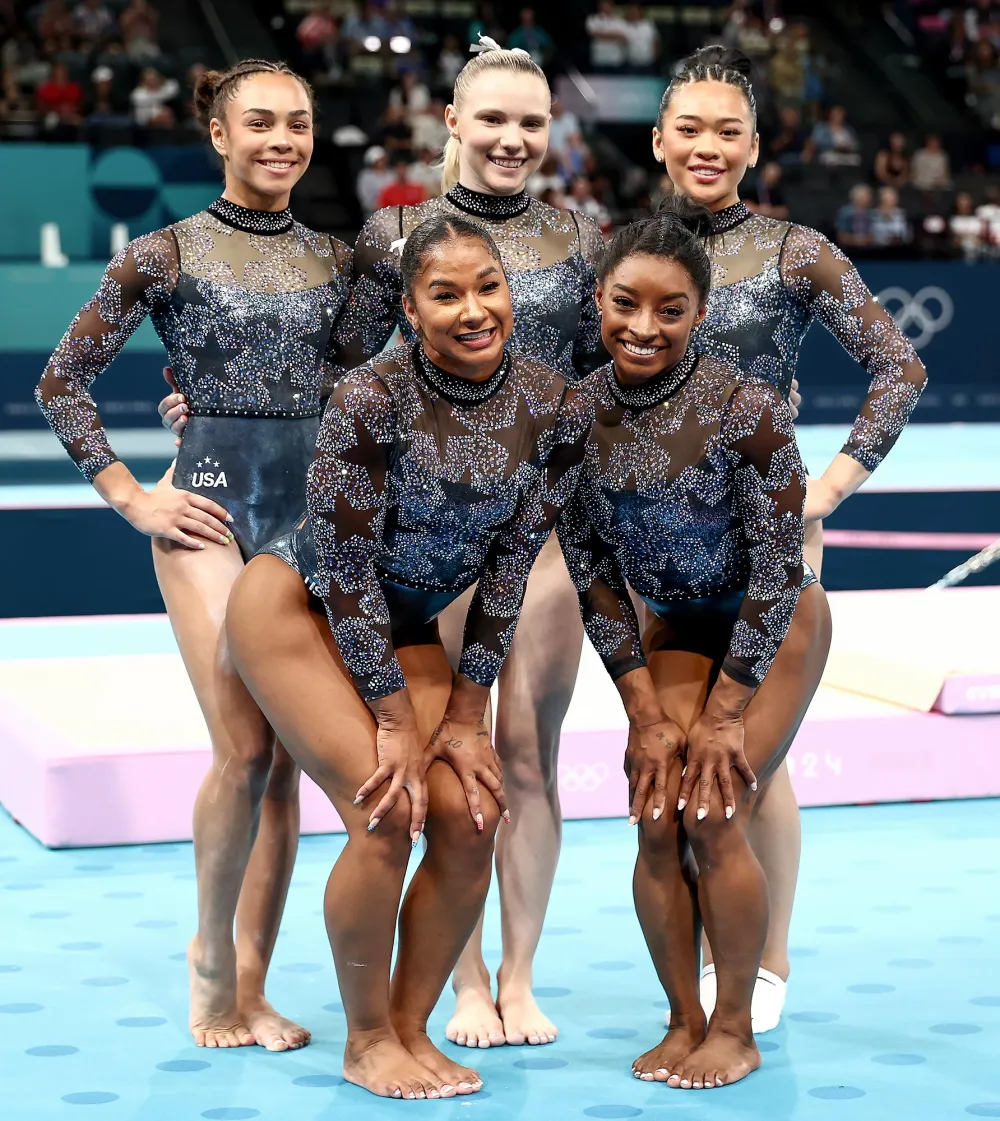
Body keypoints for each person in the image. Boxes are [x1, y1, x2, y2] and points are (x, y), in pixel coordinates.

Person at [226, 215, 592, 1098]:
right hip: (298, 606)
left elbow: (507, 567)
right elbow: (346, 571)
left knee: (471, 812)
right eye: (446, 294)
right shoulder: (369, 396)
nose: (474, 310)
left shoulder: (556, 403)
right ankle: (364, 1041)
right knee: (386, 810)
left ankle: (408, 1026)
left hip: (414, 623)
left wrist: (467, 716)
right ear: (409, 308)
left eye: (489, 287)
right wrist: (396, 722)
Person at [36, 58, 353, 1053]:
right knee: (245, 746)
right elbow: (62, 381)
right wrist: (132, 494)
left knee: (292, 761)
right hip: (209, 512)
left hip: (308, 519)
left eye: (297, 124)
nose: (281, 140)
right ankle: (209, 961)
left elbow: (360, 385)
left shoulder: (340, 262)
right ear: (218, 134)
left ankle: (254, 980)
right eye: (259, 122)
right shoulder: (163, 255)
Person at [651, 44, 927, 1032]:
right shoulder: (628, 253)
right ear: (658, 139)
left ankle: (765, 961)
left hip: (769, 546)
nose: (708, 146)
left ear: (755, 145)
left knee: (753, 764)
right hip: (652, 549)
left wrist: (832, 484)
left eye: (728, 131)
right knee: (678, 756)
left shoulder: (792, 251)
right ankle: (699, 953)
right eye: (690, 128)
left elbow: (898, 367)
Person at [557, 199, 831, 1090]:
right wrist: (644, 709)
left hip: (776, 620)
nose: (644, 327)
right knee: (654, 810)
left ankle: (736, 1026)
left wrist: (722, 716)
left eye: (670, 310)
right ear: (597, 298)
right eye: (627, 304)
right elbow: (593, 569)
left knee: (712, 808)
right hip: (672, 626)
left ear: (701, 313)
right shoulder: (576, 416)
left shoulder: (747, 410)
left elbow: (777, 569)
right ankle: (681, 1018)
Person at [586, 0, 628, 71]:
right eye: (603, 5)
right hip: (599, 58)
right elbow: (592, 34)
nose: (605, 8)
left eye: (607, 5)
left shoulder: (620, 21)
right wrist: (615, 35)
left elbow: (624, 38)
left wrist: (601, 34)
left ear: (612, 7)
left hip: (616, 59)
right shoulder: (592, 19)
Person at [835, 183, 875, 249]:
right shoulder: (845, 213)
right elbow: (841, 237)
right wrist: (856, 239)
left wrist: (865, 239)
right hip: (849, 250)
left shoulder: (871, 214)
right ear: (858, 198)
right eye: (867, 196)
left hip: (868, 250)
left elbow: (875, 236)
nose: (869, 198)